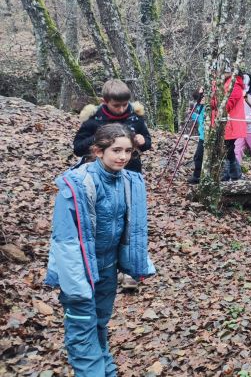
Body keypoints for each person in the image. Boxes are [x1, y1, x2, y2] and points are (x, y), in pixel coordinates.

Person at [45, 124, 155, 376]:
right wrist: (77, 287)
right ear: (98, 151)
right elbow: (65, 241)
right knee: (82, 333)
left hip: (107, 270)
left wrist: (133, 263)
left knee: (99, 326)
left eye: (128, 151)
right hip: (79, 273)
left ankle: (107, 371)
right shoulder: (77, 185)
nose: (123, 157)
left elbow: (132, 230)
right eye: (116, 150)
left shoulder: (129, 181)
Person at [74, 80, 152, 173]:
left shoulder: (135, 118)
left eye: (125, 104)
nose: (121, 109)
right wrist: (98, 139)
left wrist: (143, 141)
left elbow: (147, 142)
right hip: (98, 172)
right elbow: (78, 149)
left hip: (130, 171)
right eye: (116, 105)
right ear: (104, 101)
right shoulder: (93, 119)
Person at [188, 88, 205, 184]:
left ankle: (197, 177)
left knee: (198, 156)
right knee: (198, 156)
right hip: (203, 135)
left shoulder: (206, 106)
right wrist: (193, 115)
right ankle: (198, 176)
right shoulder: (201, 106)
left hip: (205, 136)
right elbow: (201, 119)